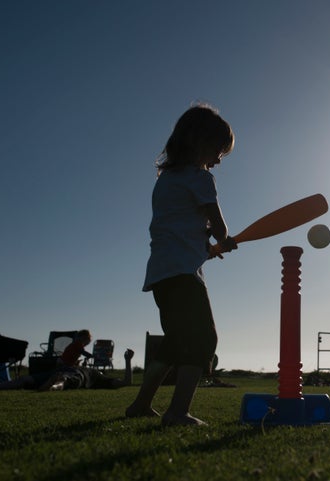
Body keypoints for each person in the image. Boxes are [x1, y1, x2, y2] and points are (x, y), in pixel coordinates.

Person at [125, 104, 238, 427]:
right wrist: (223, 239)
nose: (218, 160)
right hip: (184, 275)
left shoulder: (166, 180)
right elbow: (219, 227)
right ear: (199, 142)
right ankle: (177, 412)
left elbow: (178, 225)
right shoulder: (200, 178)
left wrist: (205, 246)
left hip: (161, 273)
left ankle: (141, 404)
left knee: (174, 342)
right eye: (218, 151)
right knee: (204, 338)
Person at [0, 349, 135, 391]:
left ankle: (51, 386)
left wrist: (128, 361)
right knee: (25, 380)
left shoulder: (100, 378)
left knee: (64, 378)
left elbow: (126, 382)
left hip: (74, 375)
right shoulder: (91, 372)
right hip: (64, 372)